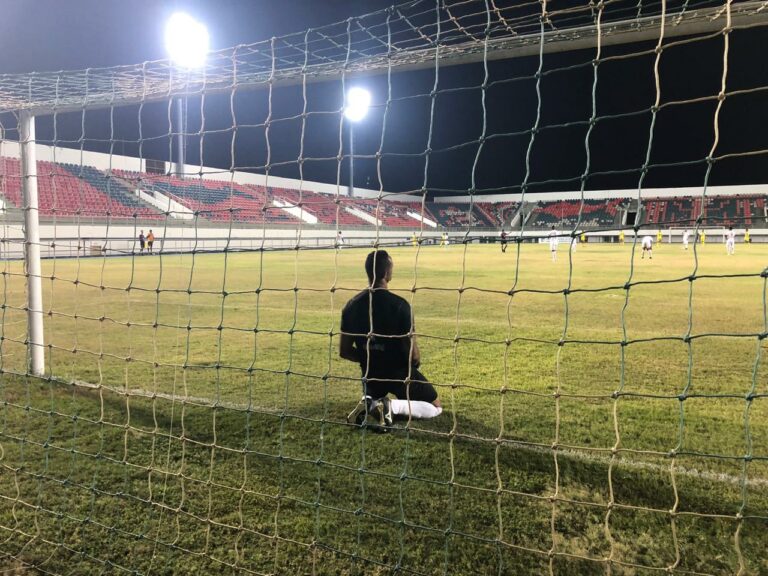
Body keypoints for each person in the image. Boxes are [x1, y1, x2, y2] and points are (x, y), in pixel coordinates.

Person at [340, 250, 442, 429]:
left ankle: (370, 402)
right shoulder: (400, 305)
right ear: (387, 272)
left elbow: (345, 351)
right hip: (399, 373)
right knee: (435, 407)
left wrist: (368, 357)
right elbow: (413, 356)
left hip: (370, 374)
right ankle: (392, 406)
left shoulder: (351, 305)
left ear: (368, 272)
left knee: (374, 395)